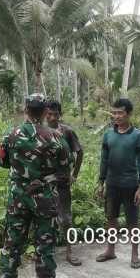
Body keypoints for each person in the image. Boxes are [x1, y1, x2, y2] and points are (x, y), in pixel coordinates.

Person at [0, 93, 69, 278]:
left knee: (12, 244)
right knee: (44, 247)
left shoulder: (10, 135)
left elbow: (2, 162)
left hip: (17, 198)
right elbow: (64, 171)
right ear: (46, 111)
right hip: (44, 199)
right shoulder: (56, 138)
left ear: (25, 110)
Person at [96, 98, 140, 268]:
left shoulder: (137, 136)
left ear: (129, 114)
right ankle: (110, 250)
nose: (116, 116)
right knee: (111, 218)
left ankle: (135, 255)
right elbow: (104, 159)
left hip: (131, 185)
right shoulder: (108, 135)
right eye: (114, 113)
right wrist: (101, 182)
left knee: (132, 221)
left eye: (120, 113)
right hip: (112, 184)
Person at [46, 100, 84, 266]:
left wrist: (74, 174)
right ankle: (45, 252)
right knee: (45, 218)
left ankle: (69, 252)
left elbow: (80, 151)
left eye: (56, 114)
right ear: (44, 114)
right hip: (45, 183)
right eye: (49, 114)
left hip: (62, 182)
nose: (52, 117)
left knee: (66, 218)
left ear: (60, 115)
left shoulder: (67, 131)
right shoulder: (40, 131)